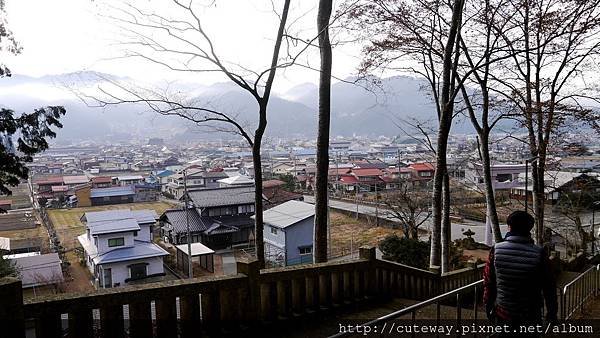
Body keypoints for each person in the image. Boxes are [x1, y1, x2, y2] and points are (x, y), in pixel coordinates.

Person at [483, 211, 557, 330]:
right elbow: (549, 287)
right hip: (530, 315)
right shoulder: (539, 253)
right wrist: (551, 313)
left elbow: (488, 281)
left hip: (502, 313)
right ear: (529, 228)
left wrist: (488, 305)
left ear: (509, 227)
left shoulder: (496, 250)